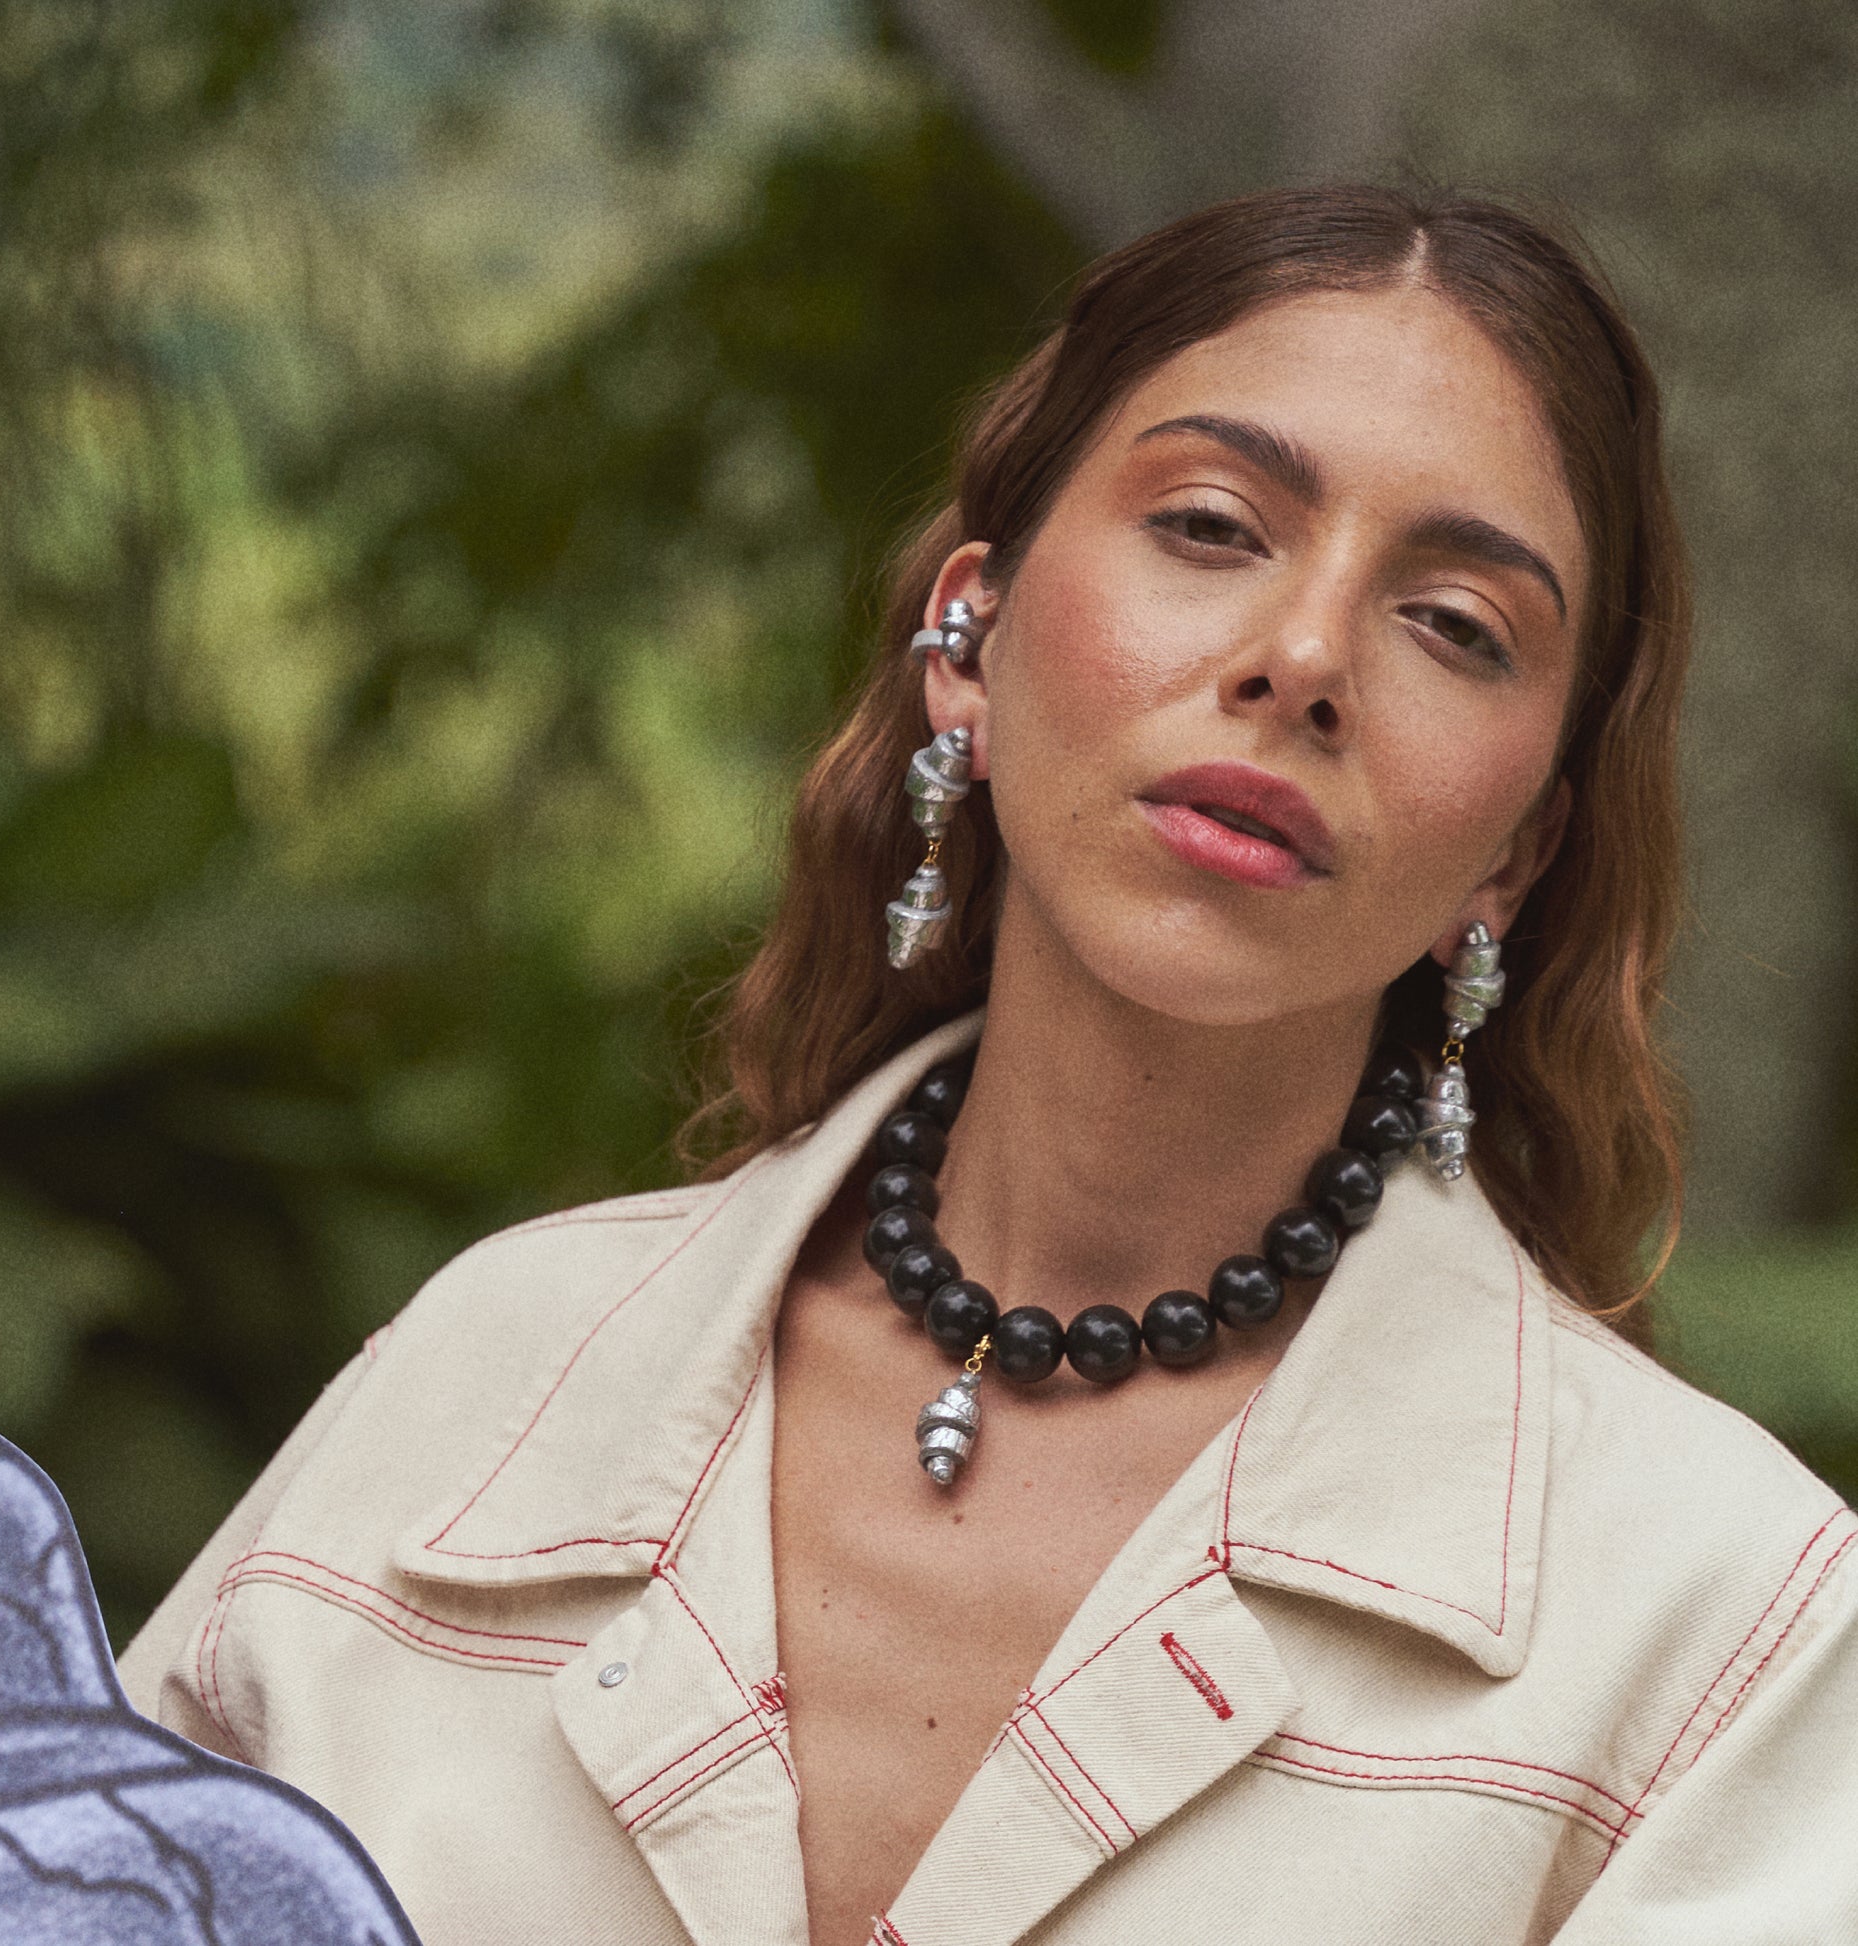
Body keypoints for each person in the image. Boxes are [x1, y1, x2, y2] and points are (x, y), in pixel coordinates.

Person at [118, 186, 1858, 1945]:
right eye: (1209, 524)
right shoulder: (482, 1383)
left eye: (1457, 624)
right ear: (971, 631)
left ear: (1518, 851)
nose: (1303, 658)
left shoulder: (1721, 1629)